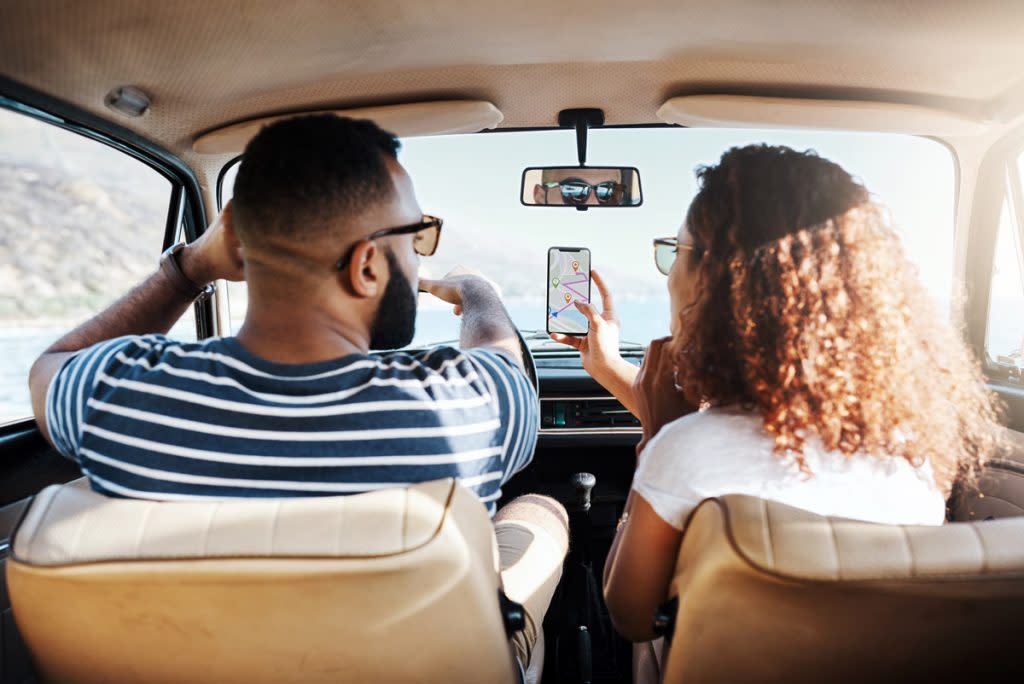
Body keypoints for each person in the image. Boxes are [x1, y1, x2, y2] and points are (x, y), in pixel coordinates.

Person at [28, 114, 566, 672]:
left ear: (231, 242)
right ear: (365, 267)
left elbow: (51, 367)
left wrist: (188, 268)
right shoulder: (468, 405)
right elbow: (503, 359)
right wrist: (479, 292)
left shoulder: (118, 392)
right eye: (417, 236)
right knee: (540, 510)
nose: (421, 257)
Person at [551, 144, 1003, 671]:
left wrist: (658, 433)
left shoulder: (685, 450)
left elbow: (630, 614)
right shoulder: (915, 451)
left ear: (715, 281)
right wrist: (611, 373)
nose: (669, 274)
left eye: (676, 251)